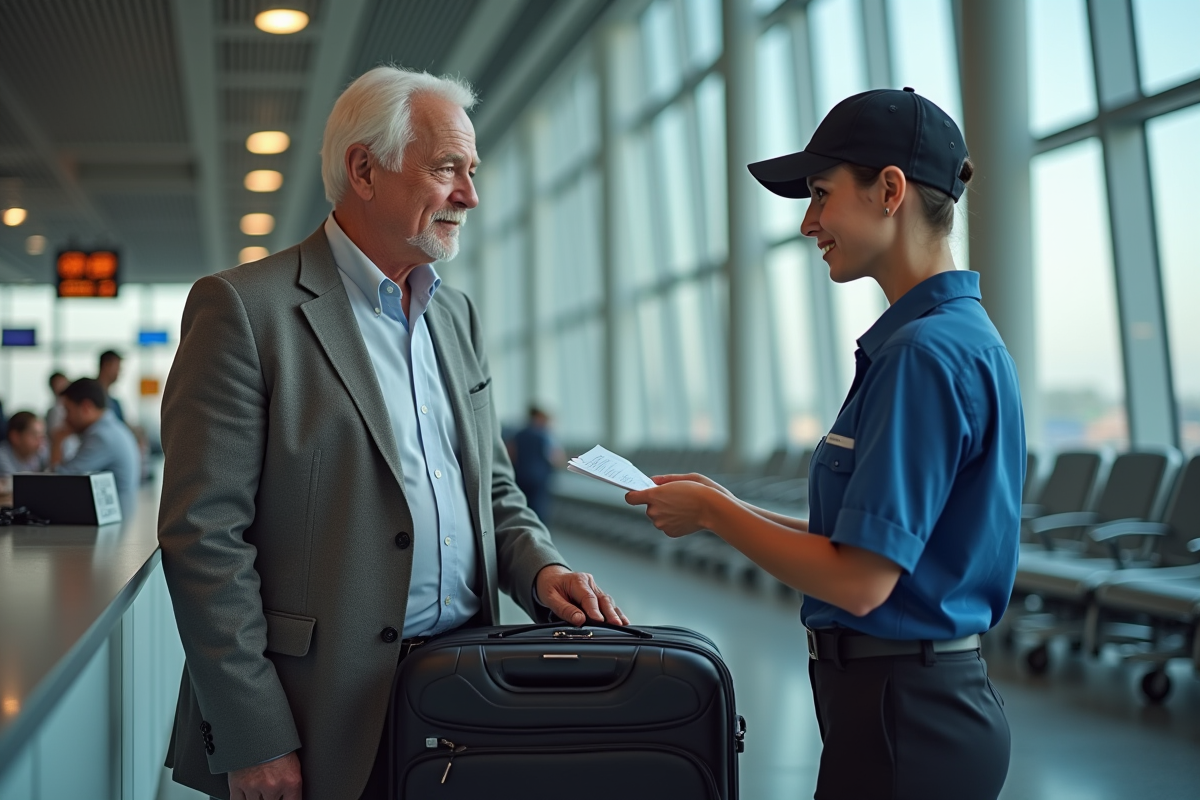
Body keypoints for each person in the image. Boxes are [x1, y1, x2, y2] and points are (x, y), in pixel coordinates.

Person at [158, 66, 628, 800]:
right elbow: (204, 537)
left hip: (463, 692)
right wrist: (254, 731)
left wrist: (540, 568)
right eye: (447, 169)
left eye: (471, 171)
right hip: (315, 715)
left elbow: (490, 485)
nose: (470, 195)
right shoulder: (246, 311)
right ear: (363, 169)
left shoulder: (455, 315)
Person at [626, 88, 1023, 800]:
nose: (809, 222)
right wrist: (727, 503)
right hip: (909, 707)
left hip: (906, 717)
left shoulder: (924, 355)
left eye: (819, 193)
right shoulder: (947, 337)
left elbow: (859, 582)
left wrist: (718, 518)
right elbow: (868, 545)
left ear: (890, 190)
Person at [50, 378, 140, 517]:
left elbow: (58, 480)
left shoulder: (101, 436)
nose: (65, 419)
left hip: (112, 520)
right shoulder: (113, 428)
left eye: (68, 410)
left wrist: (57, 441)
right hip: (119, 514)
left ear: (86, 407)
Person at [512, 405, 565, 522]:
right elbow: (556, 459)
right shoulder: (545, 436)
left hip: (521, 478)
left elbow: (511, 455)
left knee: (524, 508)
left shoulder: (518, 435)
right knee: (539, 511)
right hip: (539, 481)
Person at [0, 411, 47, 493]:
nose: (40, 442)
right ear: (15, 437)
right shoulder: (2, 457)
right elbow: (14, 486)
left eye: (41, 436)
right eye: (34, 435)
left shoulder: (37, 454)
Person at [96, 350, 125, 423]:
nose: (119, 371)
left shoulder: (113, 402)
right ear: (106, 366)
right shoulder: (91, 396)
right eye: (117, 367)